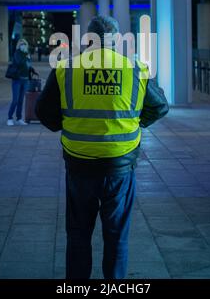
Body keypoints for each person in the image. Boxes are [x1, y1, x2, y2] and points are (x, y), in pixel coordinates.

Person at [35, 16, 169, 279]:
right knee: (117, 236)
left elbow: (43, 111)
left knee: (78, 235)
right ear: (117, 40)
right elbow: (160, 107)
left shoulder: (66, 68)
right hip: (119, 166)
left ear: (89, 40)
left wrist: (69, 123)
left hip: (79, 164)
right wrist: (135, 122)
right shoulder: (134, 69)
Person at [7, 38, 38, 126]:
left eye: (24, 44)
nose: (23, 45)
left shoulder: (27, 54)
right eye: (21, 44)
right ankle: (9, 118)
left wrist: (33, 70)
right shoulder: (17, 53)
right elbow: (19, 63)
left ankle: (19, 118)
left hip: (25, 80)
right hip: (17, 80)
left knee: (21, 100)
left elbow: (28, 66)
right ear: (18, 45)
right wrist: (25, 56)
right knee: (15, 100)